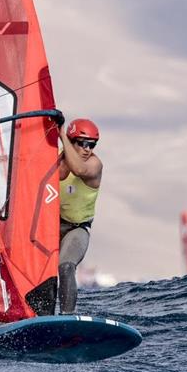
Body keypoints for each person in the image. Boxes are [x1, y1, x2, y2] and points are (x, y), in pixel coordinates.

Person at [57, 118, 103, 314]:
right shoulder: (56, 161)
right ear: (71, 141)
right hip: (50, 227)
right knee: (38, 274)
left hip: (76, 229)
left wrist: (61, 133)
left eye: (91, 144)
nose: (87, 149)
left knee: (66, 266)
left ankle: (66, 317)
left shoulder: (94, 164)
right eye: (81, 143)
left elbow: (79, 169)